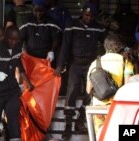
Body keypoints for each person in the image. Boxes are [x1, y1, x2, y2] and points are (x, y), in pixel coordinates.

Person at [55, 2, 106, 138]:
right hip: (75, 65)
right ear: (82, 13)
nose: (89, 17)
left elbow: (107, 43)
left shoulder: (98, 28)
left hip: (91, 66)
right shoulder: (72, 25)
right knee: (71, 93)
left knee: (91, 94)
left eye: (91, 15)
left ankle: (80, 119)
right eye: (86, 15)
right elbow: (65, 46)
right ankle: (67, 126)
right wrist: (60, 65)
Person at [0, 25, 34, 141]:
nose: (14, 42)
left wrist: (28, 83)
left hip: (11, 92)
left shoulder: (17, 48)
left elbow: (20, 67)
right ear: (6, 37)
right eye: (11, 39)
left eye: (16, 39)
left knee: (14, 123)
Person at [86, 34, 134, 135]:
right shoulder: (126, 62)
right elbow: (128, 87)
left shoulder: (95, 63)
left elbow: (88, 89)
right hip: (118, 107)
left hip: (98, 107)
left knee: (101, 135)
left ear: (105, 46)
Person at [19, 0, 62, 68]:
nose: (38, 14)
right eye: (36, 11)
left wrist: (52, 51)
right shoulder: (26, 22)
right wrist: (22, 50)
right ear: (32, 8)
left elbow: (56, 39)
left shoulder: (52, 22)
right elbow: (21, 38)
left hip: (46, 58)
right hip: (30, 58)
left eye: (41, 11)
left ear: (45, 9)